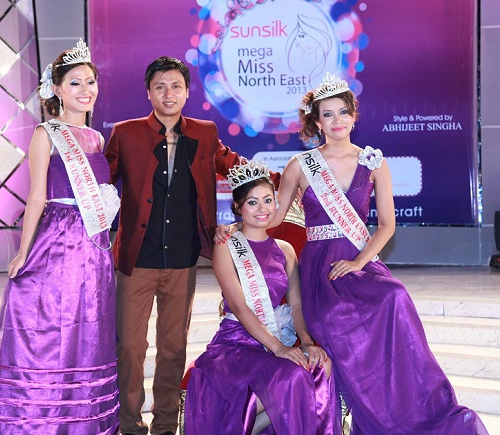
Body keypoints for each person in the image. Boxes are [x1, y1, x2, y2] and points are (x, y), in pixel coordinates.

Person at [216, 73, 489, 434]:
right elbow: (272, 216)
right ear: (316, 122)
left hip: (359, 262)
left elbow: (387, 225)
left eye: (343, 112)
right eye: (327, 114)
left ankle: (409, 409)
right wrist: (233, 227)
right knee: (333, 318)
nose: (337, 120)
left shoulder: (373, 162)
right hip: (321, 270)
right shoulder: (300, 165)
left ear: (354, 115)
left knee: (395, 297)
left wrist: (359, 262)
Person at [105, 56, 279, 435]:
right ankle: (129, 426)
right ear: (148, 92)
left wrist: (289, 179)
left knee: (172, 348)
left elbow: (237, 167)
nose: (168, 94)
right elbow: (99, 182)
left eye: (176, 86)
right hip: (137, 259)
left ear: (187, 92)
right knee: (130, 347)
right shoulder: (125, 133)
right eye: (160, 87)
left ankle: (165, 426)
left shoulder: (204, 132)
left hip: (183, 259)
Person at [0, 39, 120, 434]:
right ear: (56, 89)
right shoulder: (46, 133)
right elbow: (36, 196)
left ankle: (78, 419)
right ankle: (40, 417)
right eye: (75, 83)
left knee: (87, 329)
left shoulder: (97, 138)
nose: (85, 90)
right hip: (58, 241)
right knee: (53, 326)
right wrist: (24, 251)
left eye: (90, 81)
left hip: (93, 247)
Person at [185, 159, 338, 434]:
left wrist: (305, 341)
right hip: (237, 343)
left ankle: (249, 427)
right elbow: (240, 307)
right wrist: (279, 349)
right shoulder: (226, 245)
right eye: (252, 202)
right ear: (237, 207)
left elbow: (296, 305)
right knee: (292, 378)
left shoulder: (286, 249)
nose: (262, 209)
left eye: (268, 200)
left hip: (278, 336)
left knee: (321, 365)